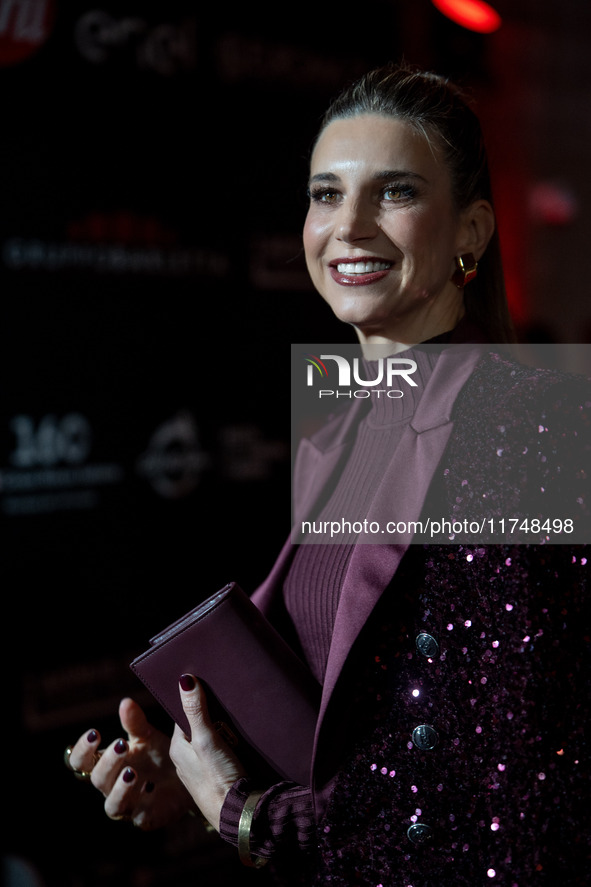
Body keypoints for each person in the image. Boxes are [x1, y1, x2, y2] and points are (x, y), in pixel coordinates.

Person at [65, 63, 590, 886]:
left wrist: (247, 813)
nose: (348, 225)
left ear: (471, 233)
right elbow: (350, 738)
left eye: (395, 193)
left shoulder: (531, 425)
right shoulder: (343, 421)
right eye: (325, 194)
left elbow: (505, 799)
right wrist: (202, 777)